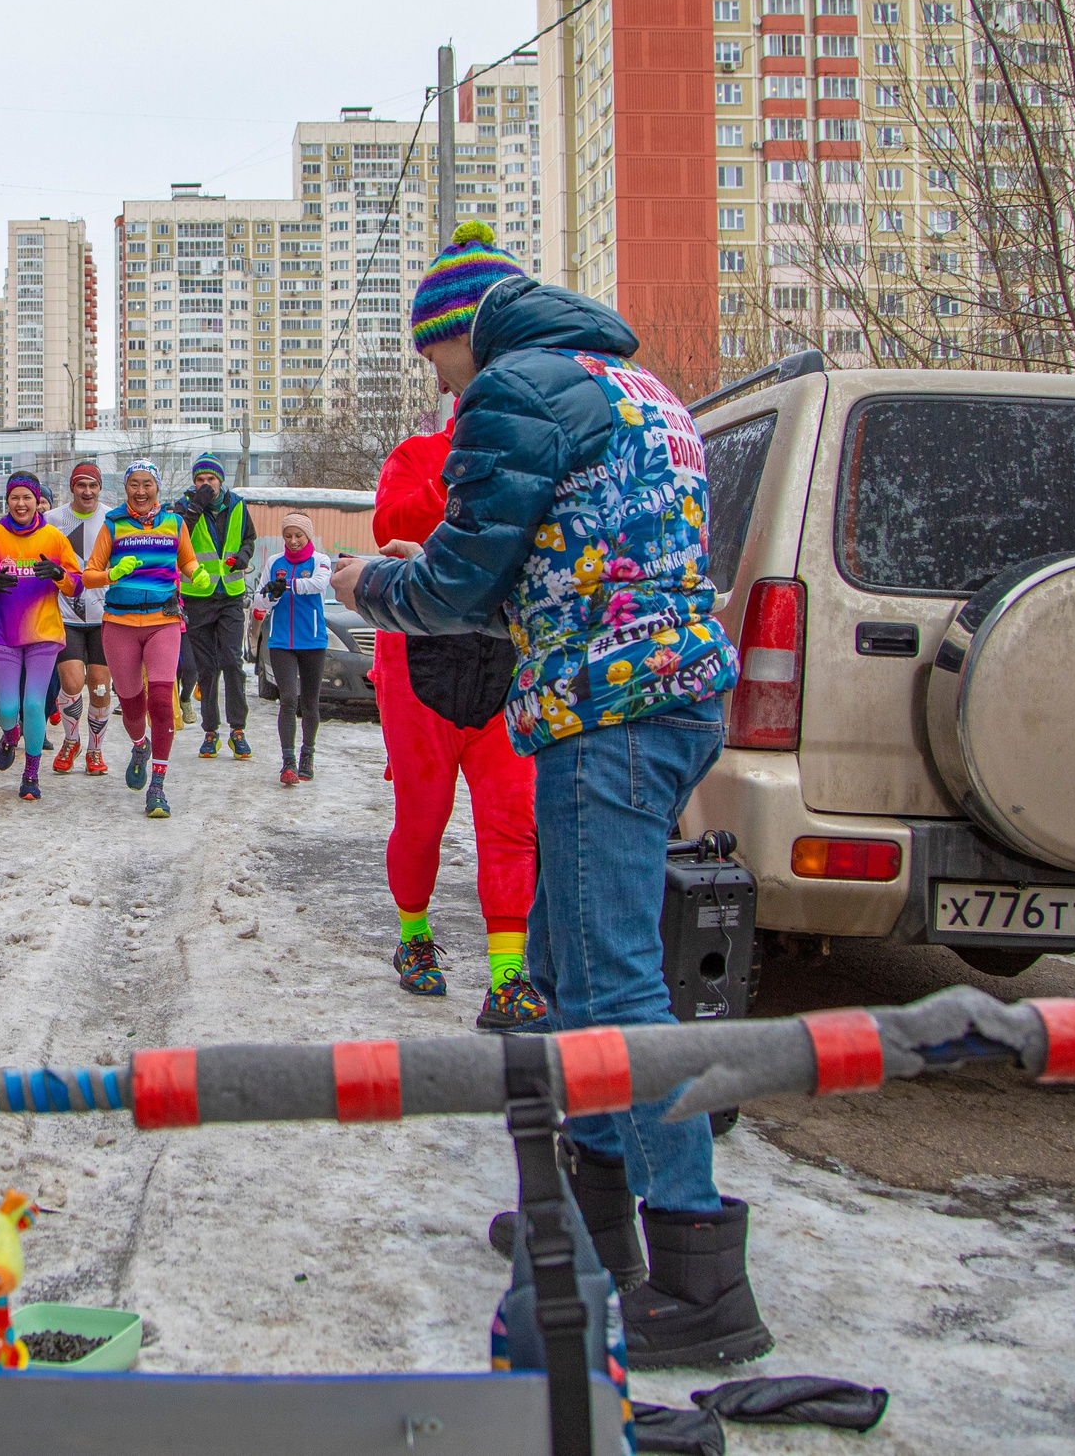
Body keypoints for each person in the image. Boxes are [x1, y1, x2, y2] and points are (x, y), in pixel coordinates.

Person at [333, 221, 760, 1369]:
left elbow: (463, 582)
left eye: (433, 355)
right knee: (574, 974)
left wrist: (367, 584)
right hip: (671, 695)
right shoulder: (636, 386)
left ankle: (697, 1275)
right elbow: (581, 549)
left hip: (607, 706)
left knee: (614, 981)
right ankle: (589, 1221)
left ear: (462, 333)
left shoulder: (512, 389)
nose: (437, 383)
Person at [369, 422, 546, 1031]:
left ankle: (508, 978)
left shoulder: (537, 452)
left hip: (506, 663)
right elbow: (390, 530)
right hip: (420, 664)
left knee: (512, 823)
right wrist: (464, 474)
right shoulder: (416, 454)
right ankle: (414, 937)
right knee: (423, 819)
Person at [83, 461, 200, 819]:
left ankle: (158, 787)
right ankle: (139, 745)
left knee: (161, 702)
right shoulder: (113, 524)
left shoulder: (174, 523)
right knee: (133, 709)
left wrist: (198, 575)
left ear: (157, 488)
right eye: (134, 484)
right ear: (126, 488)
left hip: (163, 621)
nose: (140, 491)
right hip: (119, 624)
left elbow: (188, 562)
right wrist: (112, 574)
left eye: (147, 484)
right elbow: (88, 576)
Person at [0, 473, 84, 800]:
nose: (21, 503)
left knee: (33, 704)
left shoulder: (54, 538)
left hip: (44, 632)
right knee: (6, 709)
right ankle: (10, 733)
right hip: (3, 633)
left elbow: (77, 584)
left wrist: (58, 574)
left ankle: (31, 772)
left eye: (27, 497)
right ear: (7, 500)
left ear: (36, 501)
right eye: (15, 497)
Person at [174, 453, 256, 761]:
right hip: (198, 595)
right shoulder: (184, 506)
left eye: (211, 479)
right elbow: (176, 539)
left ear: (221, 480)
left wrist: (244, 557)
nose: (206, 484)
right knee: (207, 667)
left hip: (231, 594)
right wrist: (196, 505)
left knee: (232, 661)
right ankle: (210, 731)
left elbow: (249, 539)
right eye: (200, 479)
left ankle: (238, 730)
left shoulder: (238, 505)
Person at [252, 511, 332, 788]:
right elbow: (259, 600)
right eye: (288, 536)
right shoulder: (275, 562)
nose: (293, 540)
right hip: (281, 642)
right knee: (287, 699)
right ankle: (288, 762)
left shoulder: (320, 560)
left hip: (312, 640)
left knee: (310, 702)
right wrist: (270, 597)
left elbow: (319, 584)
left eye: (298, 535)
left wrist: (286, 585)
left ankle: (307, 756)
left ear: (308, 536)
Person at [47, 460, 115, 775]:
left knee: (100, 689)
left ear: (100, 488)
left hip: (105, 617)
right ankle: (71, 740)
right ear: (72, 487)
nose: (87, 491)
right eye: (81, 485)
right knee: (72, 683)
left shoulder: (113, 519)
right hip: (67, 615)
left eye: (93, 485)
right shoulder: (52, 520)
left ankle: (95, 750)